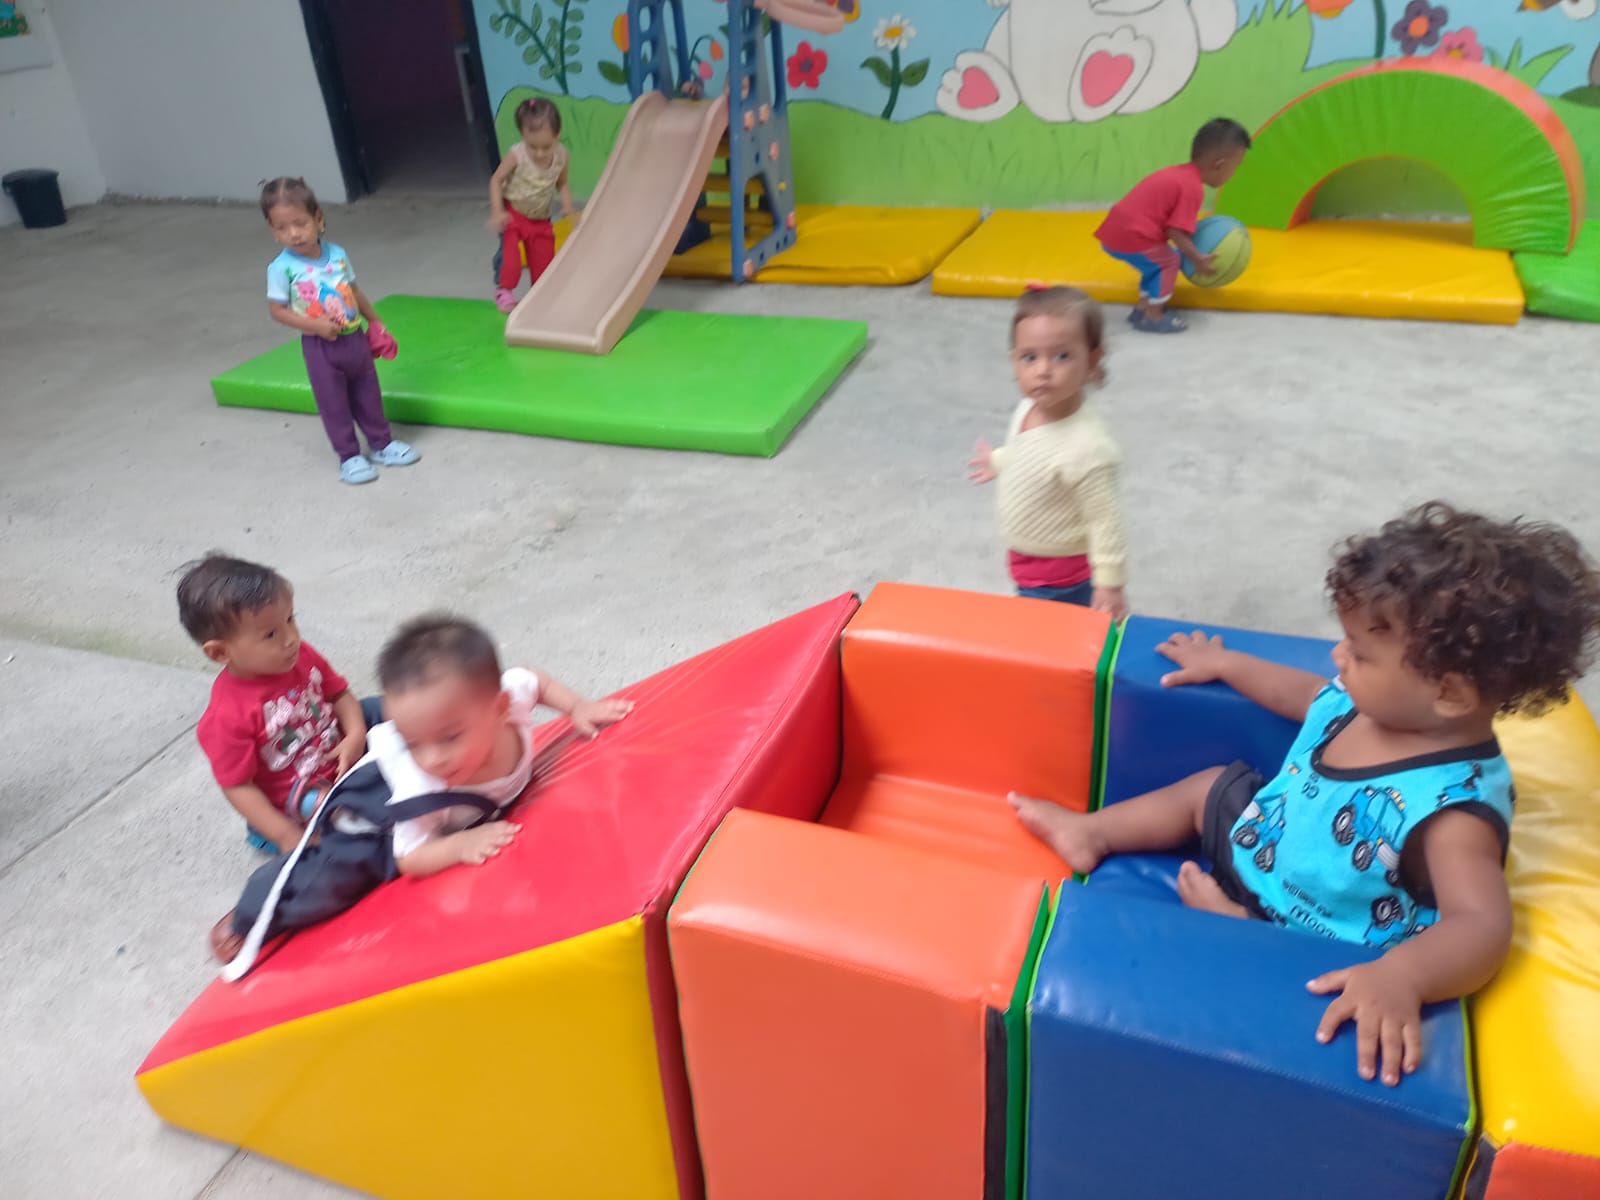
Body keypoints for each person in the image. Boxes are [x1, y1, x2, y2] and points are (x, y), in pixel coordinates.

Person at [1010, 502, 1600, 1086]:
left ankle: (1238, 928)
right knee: (1211, 784)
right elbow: (1303, 694)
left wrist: (1403, 976)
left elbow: (1480, 925)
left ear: (1449, 693)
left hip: (1311, 928)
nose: (1339, 656)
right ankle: (1091, 832)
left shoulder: (1453, 813)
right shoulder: (1372, 704)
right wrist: (1226, 663)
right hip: (1268, 843)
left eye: (1360, 653)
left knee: (1270, 944)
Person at [209, 615, 634, 968]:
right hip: (375, 820)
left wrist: (578, 706)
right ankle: (250, 912)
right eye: (415, 743)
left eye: (449, 737)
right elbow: (408, 856)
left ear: (500, 708)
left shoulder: (508, 697)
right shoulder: (423, 781)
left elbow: (536, 681)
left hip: (414, 772)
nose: (432, 759)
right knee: (331, 878)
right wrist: (459, 846)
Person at [178, 553, 369, 855]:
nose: (291, 638)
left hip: (338, 749)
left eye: (290, 619)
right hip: (300, 799)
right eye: (270, 634)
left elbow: (339, 694)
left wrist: (356, 734)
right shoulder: (228, 716)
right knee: (354, 835)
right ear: (219, 653)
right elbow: (238, 786)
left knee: (389, 707)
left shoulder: (300, 655)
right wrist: (285, 835)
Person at [968, 286, 1129, 620]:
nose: (1042, 370)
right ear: (1014, 360)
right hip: (1027, 557)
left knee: (1055, 630)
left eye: (1061, 356)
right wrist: (999, 460)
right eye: (1029, 357)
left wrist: (1110, 584)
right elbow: (1028, 451)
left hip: (1060, 572)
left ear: (1092, 360)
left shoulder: (1089, 449)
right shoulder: (1029, 406)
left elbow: (1105, 522)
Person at [260, 176, 420, 485]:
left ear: (318, 219)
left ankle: (381, 443)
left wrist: (375, 321)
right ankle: (349, 456)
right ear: (273, 231)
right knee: (333, 402)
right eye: (282, 227)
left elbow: (354, 291)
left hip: (354, 339)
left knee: (368, 392)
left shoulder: (338, 255)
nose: (293, 234)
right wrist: (315, 326)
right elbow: (277, 311)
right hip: (320, 348)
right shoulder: (280, 269)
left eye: (300, 223)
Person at [1094, 117, 1252, 334]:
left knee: (1155, 263)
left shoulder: (1181, 174)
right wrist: (1197, 258)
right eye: (1235, 168)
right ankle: (1153, 315)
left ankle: (1142, 308)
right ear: (1219, 165)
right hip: (1132, 237)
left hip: (1117, 232)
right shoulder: (1192, 188)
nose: (1233, 174)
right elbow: (1175, 231)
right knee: (1169, 262)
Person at [489, 98, 578, 314]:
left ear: (557, 135)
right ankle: (504, 292)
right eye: (532, 146)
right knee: (511, 259)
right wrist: (497, 211)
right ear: (523, 136)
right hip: (513, 213)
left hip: (540, 218)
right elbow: (496, 179)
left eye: (546, 147)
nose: (539, 153)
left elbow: (562, 184)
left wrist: (568, 207)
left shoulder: (562, 156)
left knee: (544, 265)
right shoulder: (517, 155)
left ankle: (540, 295)